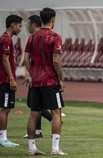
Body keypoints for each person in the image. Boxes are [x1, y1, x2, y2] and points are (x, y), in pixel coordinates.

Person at [24, 8, 67, 155]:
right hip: (50, 81)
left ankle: (31, 148)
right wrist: (61, 78)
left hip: (36, 82)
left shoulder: (32, 37)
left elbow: (25, 60)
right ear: (53, 20)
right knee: (56, 112)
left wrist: (32, 74)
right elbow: (56, 60)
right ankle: (55, 149)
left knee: (34, 114)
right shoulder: (55, 37)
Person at [22, 15, 52, 139]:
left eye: (28, 24)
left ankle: (53, 118)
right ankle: (38, 131)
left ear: (33, 24)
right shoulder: (37, 38)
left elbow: (29, 59)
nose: (27, 26)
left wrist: (31, 75)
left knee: (35, 104)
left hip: (41, 78)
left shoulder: (37, 38)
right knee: (36, 105)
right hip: (40, 76)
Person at [0, 14, 22, 147]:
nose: (20, 29)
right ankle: (3, 139)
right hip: (5, 80)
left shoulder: (6, 39)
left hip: (5, 79)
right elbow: (5, 59)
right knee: (4, 108)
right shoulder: (6, 39)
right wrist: (12, 79)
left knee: (6, 108)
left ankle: (3, 138)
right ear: (13, 25)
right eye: (19, 26)